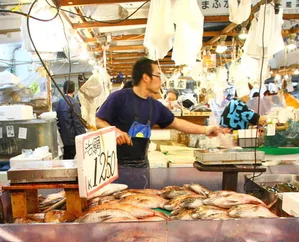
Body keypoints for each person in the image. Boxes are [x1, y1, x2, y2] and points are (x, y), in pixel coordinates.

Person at [96, 58, 227, 168]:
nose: (161, 80)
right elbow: (98, 120)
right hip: (115, 165)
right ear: (146, 77)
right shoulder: (119, 97)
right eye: (158, 75)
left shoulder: (155, 106)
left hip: (142, 165)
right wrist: (114, 131)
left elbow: (177, 123)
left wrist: (206, 129)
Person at [56, 80, 86, 159]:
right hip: (72, 141)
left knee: (65, 161)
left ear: (63, 89)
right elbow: (78, 123)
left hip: (62, 140)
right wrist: (83, 138)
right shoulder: (74, 103)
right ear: (74, 90)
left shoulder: (58, 103)